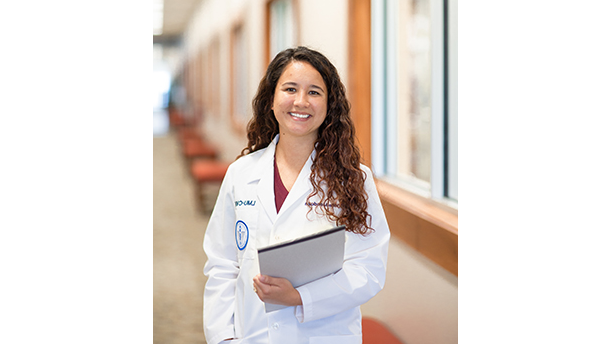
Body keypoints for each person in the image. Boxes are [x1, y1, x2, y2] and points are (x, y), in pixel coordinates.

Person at [203, 46, 390, 344]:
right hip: (251, 334)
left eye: (314, 92)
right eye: (290, 88)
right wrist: (223, 337)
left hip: (324, 335)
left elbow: (368, 269)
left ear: (330, 105)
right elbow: (222, 265)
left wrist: (301, 297)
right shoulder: (241, 174)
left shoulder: (355, 179)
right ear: (271, 100)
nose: (301, 101)